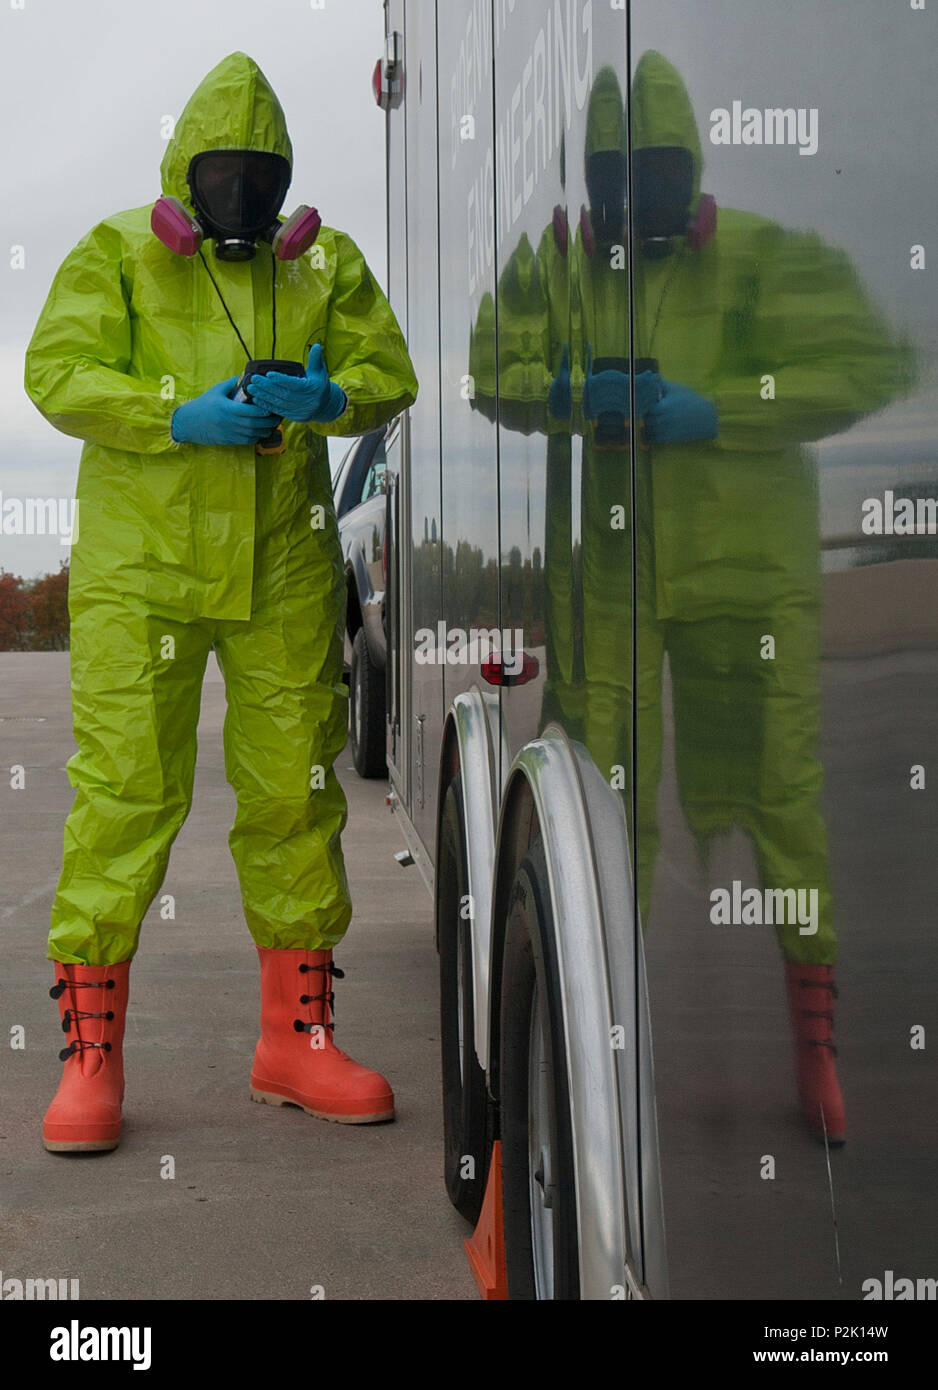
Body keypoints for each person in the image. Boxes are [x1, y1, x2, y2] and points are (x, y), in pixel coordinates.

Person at [25, 52, 418, 1152]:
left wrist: (334, 395)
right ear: (183, 174)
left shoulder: (323, 264)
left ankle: (294, 1042)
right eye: (221, 172)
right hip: (138, 572)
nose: (241, 193)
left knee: (295, 793)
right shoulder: (114, 251)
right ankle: (91, 1060)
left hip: (284, 569)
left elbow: (393, 374)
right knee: (120, 797)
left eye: (260, 174)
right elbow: (55, 373)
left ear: (285, 177)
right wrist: (172, 410)